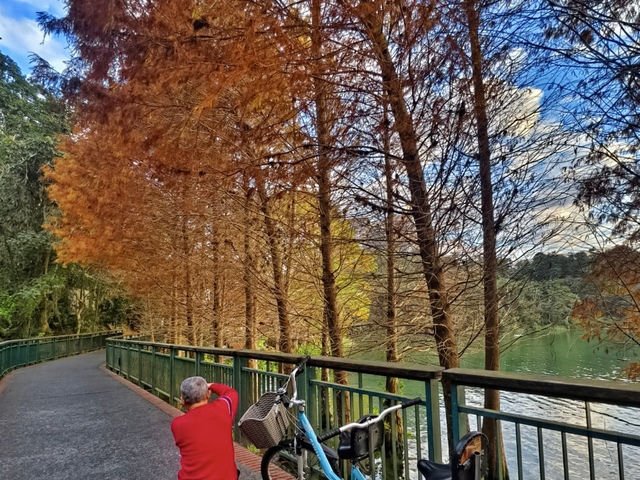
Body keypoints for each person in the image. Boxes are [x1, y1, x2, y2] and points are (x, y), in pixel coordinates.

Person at [171, 376, 239, 480]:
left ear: (183, 400)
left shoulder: (177, 425)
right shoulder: (224, 408)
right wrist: (211, 386)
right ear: (208, 394)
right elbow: (231, 392)